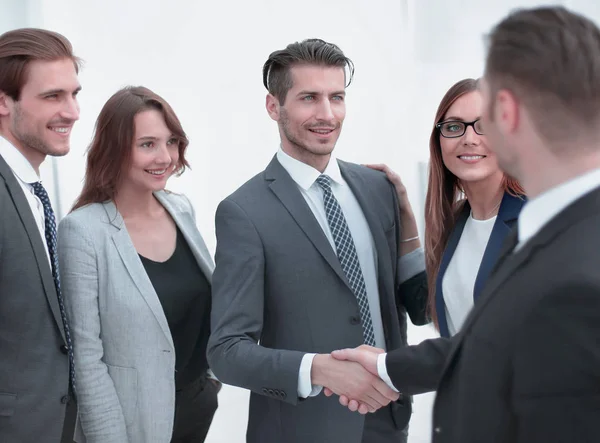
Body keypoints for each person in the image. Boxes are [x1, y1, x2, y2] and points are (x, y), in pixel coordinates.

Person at [333, 6, 600, 442]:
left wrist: (382, 369)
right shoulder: (481, 225)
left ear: (507, 114)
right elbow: (466, 329)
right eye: (455, 127)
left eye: (485, 118)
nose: (472, 137)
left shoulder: (557, 247)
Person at [207, 38, 428, 443]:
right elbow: (226, 352)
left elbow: (412, 307)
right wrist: (319, 369)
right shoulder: (243, 212)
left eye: (336, 97)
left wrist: (412, 227)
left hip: (388, 421)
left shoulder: (379, 189)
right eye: (309, 98)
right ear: (274, 106)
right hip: (303, 429)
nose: (327, 114)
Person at [58, 86, 219, 443]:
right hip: (133, 423)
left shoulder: (180, 209)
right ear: (115, 150)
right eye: (147, 144)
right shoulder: (82, 232)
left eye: (172, 141)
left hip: (196, 407)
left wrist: (209, 384)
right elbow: (87, 361)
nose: (165, 156)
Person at [371, 78, 525, 338]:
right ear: (439, 141)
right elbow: (425, 309)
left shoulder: (542, 220)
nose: (469, 139)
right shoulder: (455, 220)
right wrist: (405, 212)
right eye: (454, 127)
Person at [0, 28, 80, 443]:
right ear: (3, 101)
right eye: (52, 96)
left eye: (73, 94)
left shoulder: (34, 190)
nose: (72, 112)